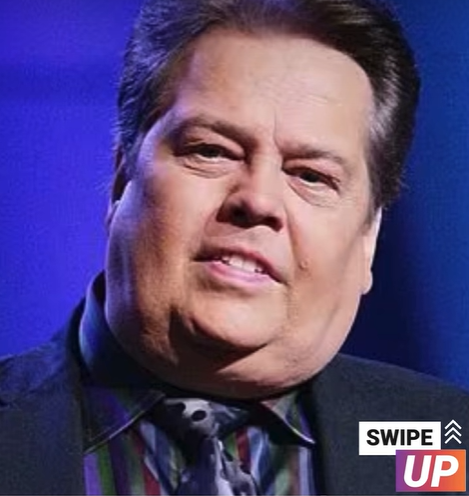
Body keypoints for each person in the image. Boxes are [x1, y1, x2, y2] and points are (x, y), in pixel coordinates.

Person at [0, 0, 468, 494]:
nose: (258, 200)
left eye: (312, 176)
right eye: (211, 151)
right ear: (121, 179)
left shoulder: (447, 444)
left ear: (368, 238)